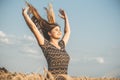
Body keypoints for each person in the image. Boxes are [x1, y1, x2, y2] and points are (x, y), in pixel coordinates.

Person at [22, 3, 70, 80]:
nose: (59, 32)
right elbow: (34, 28)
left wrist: (66, 18)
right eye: (56, 30)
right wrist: (25, 15)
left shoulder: (62, 45)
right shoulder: (46, 45)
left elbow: (67, 32)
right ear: (49, 33)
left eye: (60, 30)